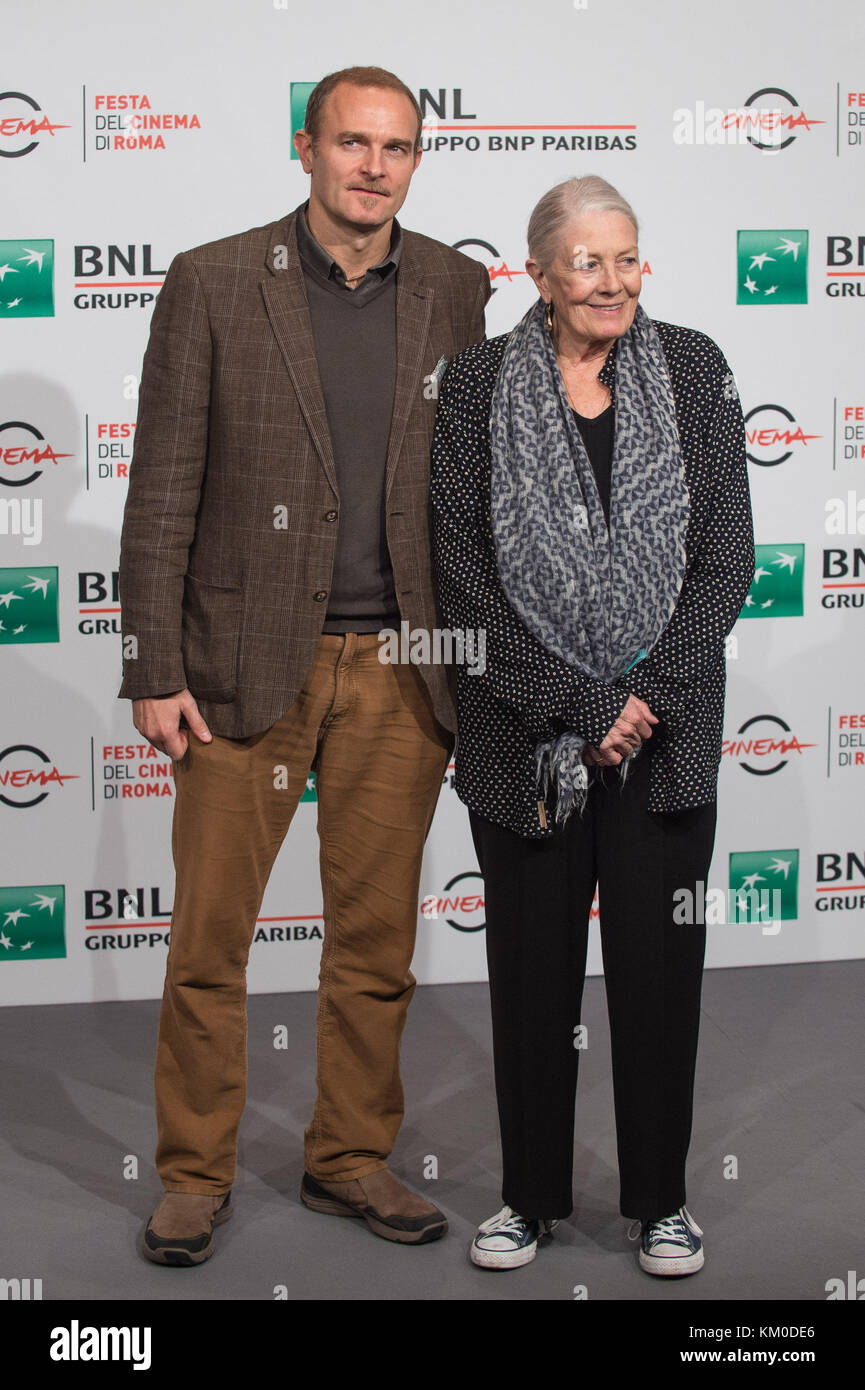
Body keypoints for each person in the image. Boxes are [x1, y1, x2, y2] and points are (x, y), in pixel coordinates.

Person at [118, 65, 490, 1265]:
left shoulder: (453, 284)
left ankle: (346, 1158)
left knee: (375, 941)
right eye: (351, 143)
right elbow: (163, 485)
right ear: (305, 148)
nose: (374, 166)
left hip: (405, 667)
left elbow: (467, 489)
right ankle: (190, 1174)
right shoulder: (215, 279)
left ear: (416, 159)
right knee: (209, 944)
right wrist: (150, 664)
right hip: (236, 668)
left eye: (397, 147)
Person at [430, 174, 754, 1275]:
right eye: (587, 262)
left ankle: (659, 1201)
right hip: (519, 730)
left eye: (627, 257)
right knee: (529, 975)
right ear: (539, 274)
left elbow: (723, 559)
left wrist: (641, 697)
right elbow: (461, 580)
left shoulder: (696, 368)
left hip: (664, 735)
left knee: (659, 977)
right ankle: (527, 1198)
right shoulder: (474, 385)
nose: (612, 281)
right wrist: (579, 704)